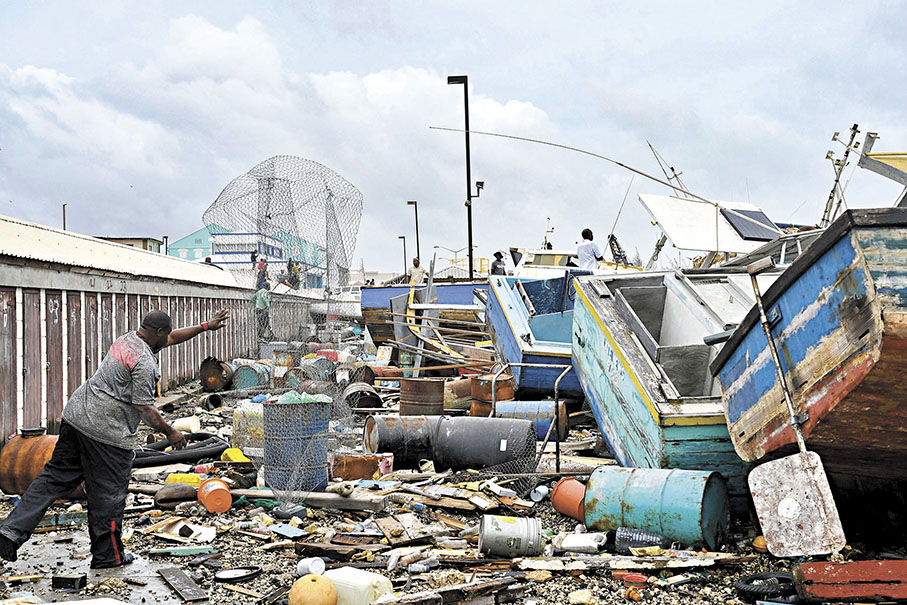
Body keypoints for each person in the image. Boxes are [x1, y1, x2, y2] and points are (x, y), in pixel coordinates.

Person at [0, 308, 230, 569]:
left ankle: (11, 531)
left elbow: (173, 337)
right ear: (158, 333)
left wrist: (204, 326)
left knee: (53, 478)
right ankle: (108, 557)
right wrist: (171, 433)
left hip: (75, 417)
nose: (169, 339)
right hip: (105, 433)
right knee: (107, 495)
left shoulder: (128, 339)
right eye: (166, 334)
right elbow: (144, 409)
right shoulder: (143, 363)